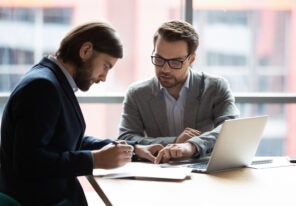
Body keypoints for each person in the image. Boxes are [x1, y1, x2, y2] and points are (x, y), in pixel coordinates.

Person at [0, 21, 163, 206]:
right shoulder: (43, 87)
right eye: (106, 66)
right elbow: (29, 163)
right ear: (85, 50)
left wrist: (132, 150)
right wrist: (94, 160)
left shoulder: (53, 80)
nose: (104, 77)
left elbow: (65, 140)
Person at [118, 20, 240, 164]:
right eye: (159, 59)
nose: (165, 69)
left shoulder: (215, 87)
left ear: (191, 59)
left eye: (175, 62)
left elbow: (231, 128)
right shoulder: (137, 94)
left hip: (205, 172)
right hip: (157, 173)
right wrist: (174, 142)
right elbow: (126, 139)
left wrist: (191, 146)